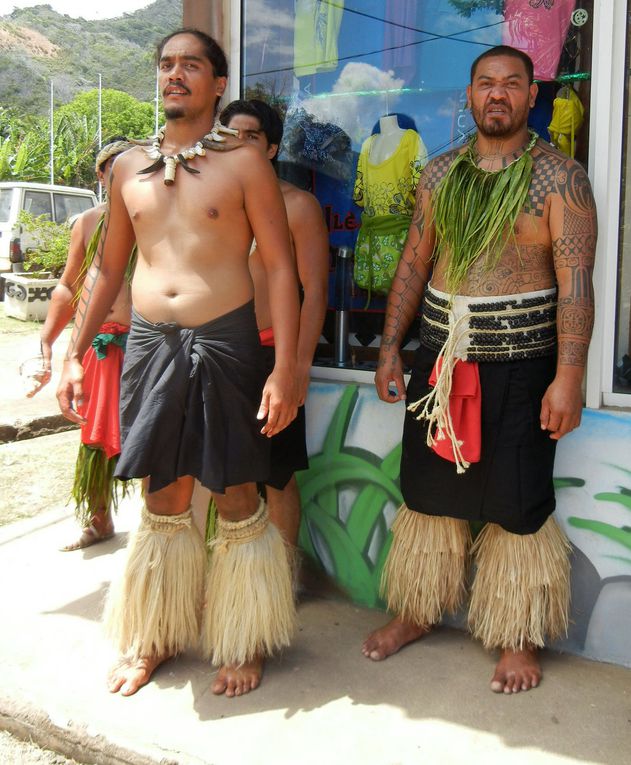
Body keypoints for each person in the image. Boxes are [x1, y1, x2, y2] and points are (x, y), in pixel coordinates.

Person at [57, 28, 300, 698]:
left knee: (235, 491)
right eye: (166, 64)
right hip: (148, 344)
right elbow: (106, 273)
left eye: (191, 65)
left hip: (226, 342)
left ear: (217, 85)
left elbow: (280, 267)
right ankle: (157, 635)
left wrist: (286, 371)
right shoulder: (127, 167)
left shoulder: (246, 162)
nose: (175, 75)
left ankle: (241, 637)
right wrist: (71, 355)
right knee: (161, 495)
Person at [363, 45, 597, 694]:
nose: (497, 93)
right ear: (467, 97)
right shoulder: (438, 174)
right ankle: (417, 610)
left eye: (511, 84)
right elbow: (413, 263)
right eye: (484, 83)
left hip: (522, 364)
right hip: (440, 360)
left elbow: (576, 283)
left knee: (516, 501)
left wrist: (569, 374)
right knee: (429, 493)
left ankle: (516, 635)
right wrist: (388, 347)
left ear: (530, 97)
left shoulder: (560, 178)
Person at [220, 98, 329, 548]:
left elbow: (315, 290)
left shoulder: (298, 206)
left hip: (272, 357)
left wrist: (297, 365)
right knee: (222, 472)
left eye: (252, 136)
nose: (240, 144)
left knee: (277, 474)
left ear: (271, 148)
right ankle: (233, 577)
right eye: (231, 136)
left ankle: (282, 581)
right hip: (218, 352)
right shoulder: (210, 205)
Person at [25, 138, 132, 551]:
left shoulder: (151, 215)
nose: (119, 173)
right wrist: (46, 345)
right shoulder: (87, 222)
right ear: (101, 176)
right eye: (111, 167)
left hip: (144, 342)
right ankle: (99, 519)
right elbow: (67, 287)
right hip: (97, 345)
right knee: (94, 436)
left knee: (154, 432)